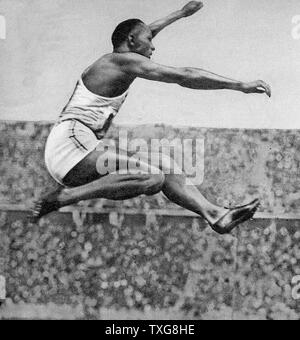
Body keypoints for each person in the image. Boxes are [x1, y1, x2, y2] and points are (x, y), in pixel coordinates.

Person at [31, 1, 271, 235]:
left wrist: (180, 13)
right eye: (149, 41)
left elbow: (146, 31)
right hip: (70, 146)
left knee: (162, 164)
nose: (153, 47)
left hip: (78, 147)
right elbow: (184, 75)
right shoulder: (122, 62)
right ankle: (64, 197)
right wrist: (240, 85)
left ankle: (216, 214)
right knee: (152, 177)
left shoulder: (122, 56)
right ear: (132, 41)